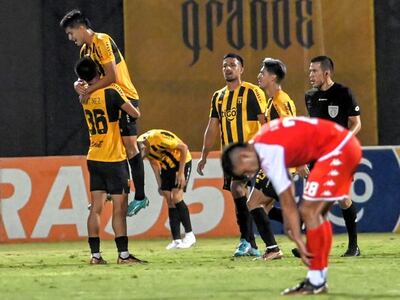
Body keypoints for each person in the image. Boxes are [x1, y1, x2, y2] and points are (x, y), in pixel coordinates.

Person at [221, 117, 362, 295]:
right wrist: (298, 240)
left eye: (246, 171)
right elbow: (288, 201)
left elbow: (288, 202)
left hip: (338, 150)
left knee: (310, 212)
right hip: (338, 147)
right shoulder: (263, 144)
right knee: (312, 212)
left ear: (243, 156)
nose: (250, 175)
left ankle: (316, 280)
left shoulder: (268, 151)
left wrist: (298, 240)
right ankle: (317, 280)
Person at [60, 9, 149, 216]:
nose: (71, 38)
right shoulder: (85, 52)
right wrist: (78, 86)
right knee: (111, 145)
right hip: (106, 100)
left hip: (123, 96)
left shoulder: (102, 41)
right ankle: (115, 188)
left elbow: (111, 76)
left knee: (129, 147)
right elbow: (83, 78)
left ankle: (140, 196)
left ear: (81, 28)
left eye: (71, 33)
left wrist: (88, 90)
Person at [74, 57, 146, 264]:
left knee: (95, 208)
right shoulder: (112, 91)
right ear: (99, 71)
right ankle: (123, 255)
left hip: (94, 156)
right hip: (113, 158)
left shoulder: (84, 96)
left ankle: (95, 255)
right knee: (119, 208)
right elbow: (135, 113)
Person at [197, 53, 267, 257]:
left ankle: (251, 241)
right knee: (241, 194)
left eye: (232, 65)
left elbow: (265, 122)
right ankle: (250, 242)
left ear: (241, 69)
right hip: (231, 157)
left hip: (253, 153)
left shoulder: (252, 92)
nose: (228, 68)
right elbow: (212, 127)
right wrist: (203, 155)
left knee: (246, 192)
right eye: (224, 65)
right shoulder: (218, 96)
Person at [305, 55, 362, 257]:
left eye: (314, 71)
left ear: (326, 73)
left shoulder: (343, 93)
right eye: (310, 70)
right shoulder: (309, 96)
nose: (310, 75)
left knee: (343, 198)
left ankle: (353, 246)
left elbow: (356, 123)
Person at [247, 58, 299, 261]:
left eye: (263, 72)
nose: (259, 75)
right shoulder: (274, 101)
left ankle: (273, 249)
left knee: (254, 204)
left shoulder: (279, 102)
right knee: (265, 208)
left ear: (273, 77)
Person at [138, 130, 196, 249]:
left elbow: (184, 148)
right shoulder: (140, 147)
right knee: (169, 200)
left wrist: (181, 173)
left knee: (176, 197)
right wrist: (160, 184)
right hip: (166, 166)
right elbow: (154, 163)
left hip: (181, 162)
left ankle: (190, 235)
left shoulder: (158, 139)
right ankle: (176, 240)